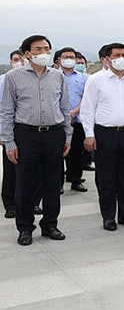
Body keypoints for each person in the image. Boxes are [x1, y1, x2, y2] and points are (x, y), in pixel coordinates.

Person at [1, 35, 73, 246]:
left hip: (54, 134)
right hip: (26, 134)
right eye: (38, 49)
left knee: (52, 183)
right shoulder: (13, 77)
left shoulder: (57, 77)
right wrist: (9, 142)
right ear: (27, 53)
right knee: (25, 184)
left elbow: (64, 108)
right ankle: (25, 228)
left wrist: (67, 136)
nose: (44, 52)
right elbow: (6, 112)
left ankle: (50, 224)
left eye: (47, 48)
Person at [81, 43, 124, 230]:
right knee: (106, 178)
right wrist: (89, 135)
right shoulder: (96, 80)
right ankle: (108, 216)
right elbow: (87, 110)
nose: (122, 58)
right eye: (117, 55)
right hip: (105, 134)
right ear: (107, 59)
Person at [55, 47, 89, 192]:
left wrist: (74, 113)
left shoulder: (83, 78)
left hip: (78, 120)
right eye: (65, 57)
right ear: (59, 60)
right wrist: (64, 116)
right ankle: (58, 183)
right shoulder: (54, 76)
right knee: (57, 153)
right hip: (57, 121)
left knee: (76, 152)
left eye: (72, 57)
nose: (69, 60)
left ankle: (76, 180)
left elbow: (87, 98)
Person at [1, 50, 26, 219]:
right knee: (11, 170)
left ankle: (31, 202)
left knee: (31, 171)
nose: (18, 62)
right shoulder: (4, 80)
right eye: (15, 60)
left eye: (21, 59)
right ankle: (10, 205)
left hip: (28, 131)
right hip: (10, 129)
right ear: (11, 62)